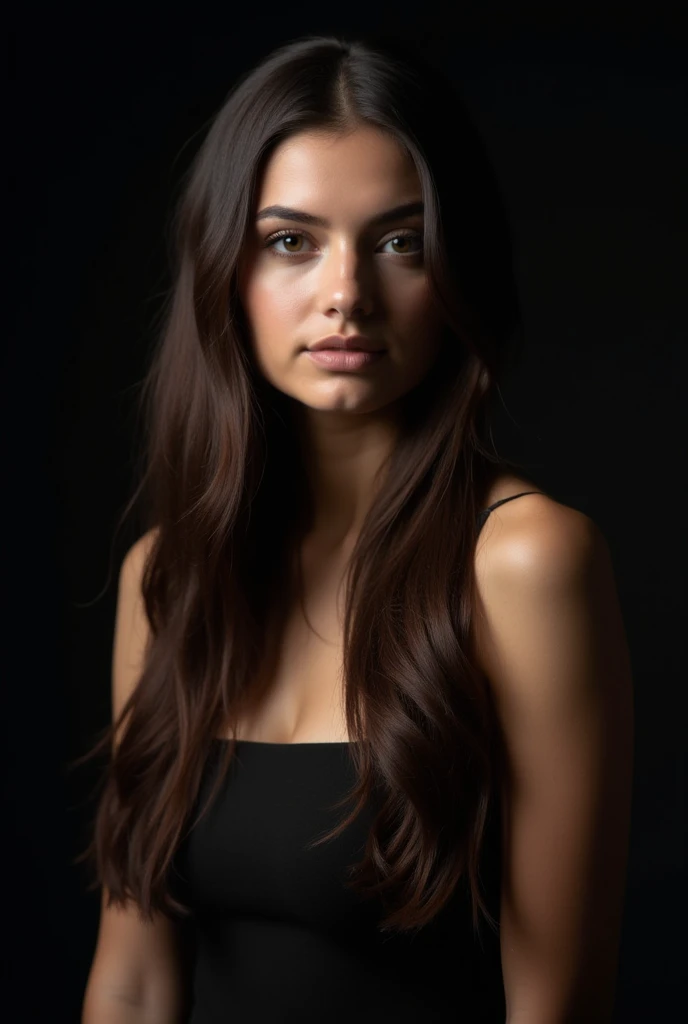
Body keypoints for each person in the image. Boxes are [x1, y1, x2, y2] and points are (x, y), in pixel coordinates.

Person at [78, 31, 634, 1024]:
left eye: (398, 241)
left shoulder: (525, 561)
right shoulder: (166, 576)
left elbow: (556, 999)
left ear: (457, 272)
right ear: (225, 271)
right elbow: (131, 977)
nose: (345, 294)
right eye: (291, 240)